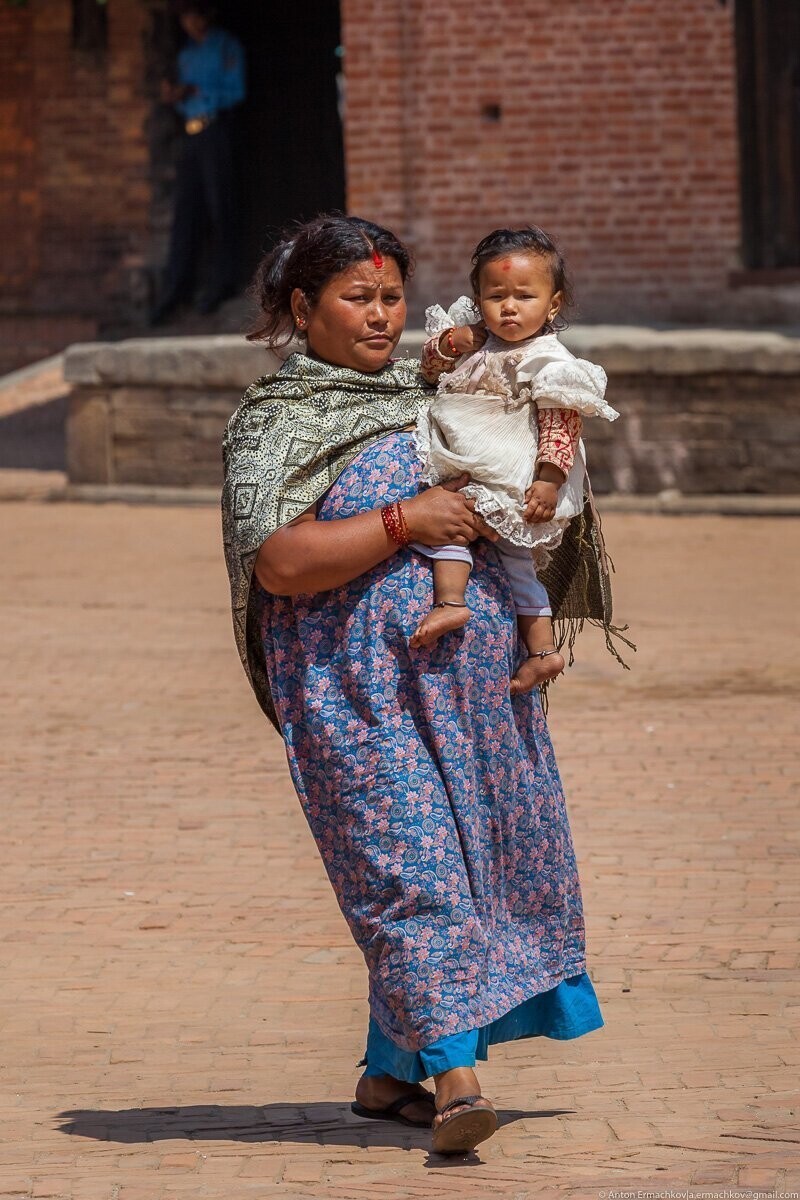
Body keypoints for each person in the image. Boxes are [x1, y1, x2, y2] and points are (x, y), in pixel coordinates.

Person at [221, 215, 605, 1156]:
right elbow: (279, 563)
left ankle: (388, 1072)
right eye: (359, 299)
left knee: (475, 860)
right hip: (353, 695)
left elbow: (525, 465)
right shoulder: (278, 422)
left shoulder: (438, 385)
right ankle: (455, 1080)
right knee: (413, 867)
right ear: (304, 310)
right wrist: (410, 517)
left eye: (392, 296)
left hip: (466, 684)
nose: (383, 317)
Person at [410, 226, 619, 696]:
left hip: (513, 472)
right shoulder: (477, 342)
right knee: (465, 529)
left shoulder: (548, 360)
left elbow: (561, 425)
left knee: (500, 549)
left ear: (553, 304)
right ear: (478, 298)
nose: (508, 307)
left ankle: (454, 602)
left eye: (524, 296)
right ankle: (541, 653)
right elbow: (428, 369)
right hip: (468, 453)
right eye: (495, 295)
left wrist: (548, 481)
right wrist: (449, 344)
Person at [151, 0, 245, 324]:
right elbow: (179, 100)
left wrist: (199, 91)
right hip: (190, 134)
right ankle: (178, 288)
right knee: (186, 211)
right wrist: (176, 96)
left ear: (205, 14)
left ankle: (224, 281)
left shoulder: (226, 47)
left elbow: (236, 91)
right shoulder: (185, 55)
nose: (187, 24)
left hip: (216, 128)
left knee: (220, 208)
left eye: (191, 16)